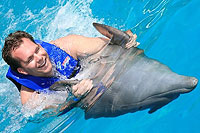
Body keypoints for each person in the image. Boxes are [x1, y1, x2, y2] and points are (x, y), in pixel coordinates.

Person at [2, 27, 137, 112]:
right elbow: (56, 110)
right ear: (22, 71)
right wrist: (73, 98)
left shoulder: (69, 45)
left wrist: (126, 41)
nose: (40, 58)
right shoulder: (30, 97)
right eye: (30, 59)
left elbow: (111, 46)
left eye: (37, 50)